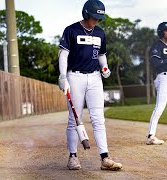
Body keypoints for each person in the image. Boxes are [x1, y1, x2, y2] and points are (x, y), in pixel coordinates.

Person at [58, 0, 122, 171]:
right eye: (94, 17)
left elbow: (101, 55)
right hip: (75, 77)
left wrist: (105, 67)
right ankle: (73, 157)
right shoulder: (71, 30)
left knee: (98, 118)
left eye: (99, 18)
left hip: (94, 78)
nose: (97, 21)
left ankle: (105, 158)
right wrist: (63, 76)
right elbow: (63, 55)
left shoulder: (100, 33)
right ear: (86, 13)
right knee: (74, 119)